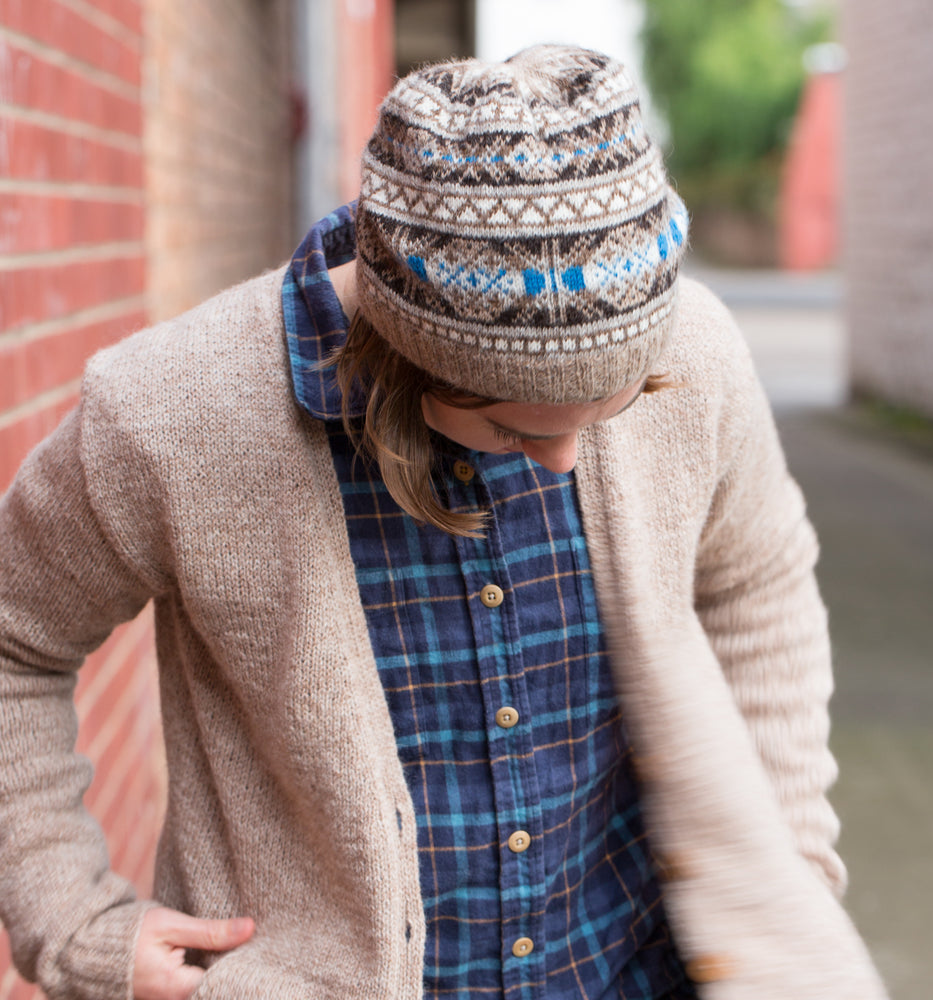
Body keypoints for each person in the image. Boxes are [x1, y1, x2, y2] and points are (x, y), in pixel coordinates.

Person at [0, 46, 887, 1000]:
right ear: (403, 355)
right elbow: (15, 640)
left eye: (611, 411)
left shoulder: (699, 346)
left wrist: (787, 873)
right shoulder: (172, 415)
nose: (567, 460)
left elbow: (759, 583)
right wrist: (73, 919)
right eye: (513, 423)